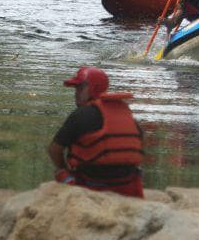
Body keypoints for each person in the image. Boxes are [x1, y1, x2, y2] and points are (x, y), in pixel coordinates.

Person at [48, 67, 144, 198]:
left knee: (60, 173)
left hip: (91, 184)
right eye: (76, 89)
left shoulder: (80, 115)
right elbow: (139, 144)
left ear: (94, 88)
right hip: (127, 184)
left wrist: (65, 169)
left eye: (80, 88)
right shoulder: (126, 113)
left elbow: (54, 150)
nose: (76, 93)